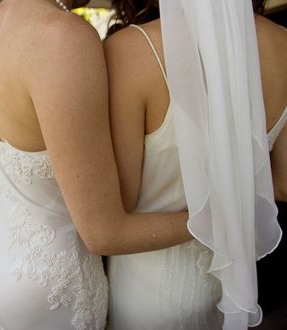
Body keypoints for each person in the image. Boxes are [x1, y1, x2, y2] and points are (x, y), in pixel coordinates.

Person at [0, 0, 196, 329]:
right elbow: (105, 234)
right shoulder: (63, 38)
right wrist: (214, 222)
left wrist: (17, 150)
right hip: (54, 281)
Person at [104, 0, 286, 329]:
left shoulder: (129, 51)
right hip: (230, 284)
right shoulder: (282, 43)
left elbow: (119, 206)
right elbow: (283, 182)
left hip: (149, 295)